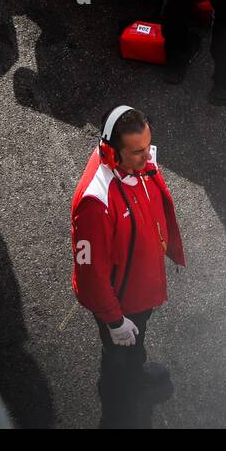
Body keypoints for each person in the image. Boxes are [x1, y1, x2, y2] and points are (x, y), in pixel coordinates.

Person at [71, 106, 186, 428]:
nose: (147, 158)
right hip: (122, 303)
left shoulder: (137, 164)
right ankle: (120, 406)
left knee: (136, 341)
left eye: (148, 147)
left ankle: (133, 373)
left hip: (138, 289)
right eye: (137, 152)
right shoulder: (95, 203)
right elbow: (91, 276)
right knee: (119, 352)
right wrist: (114, 319)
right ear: (110, 152)